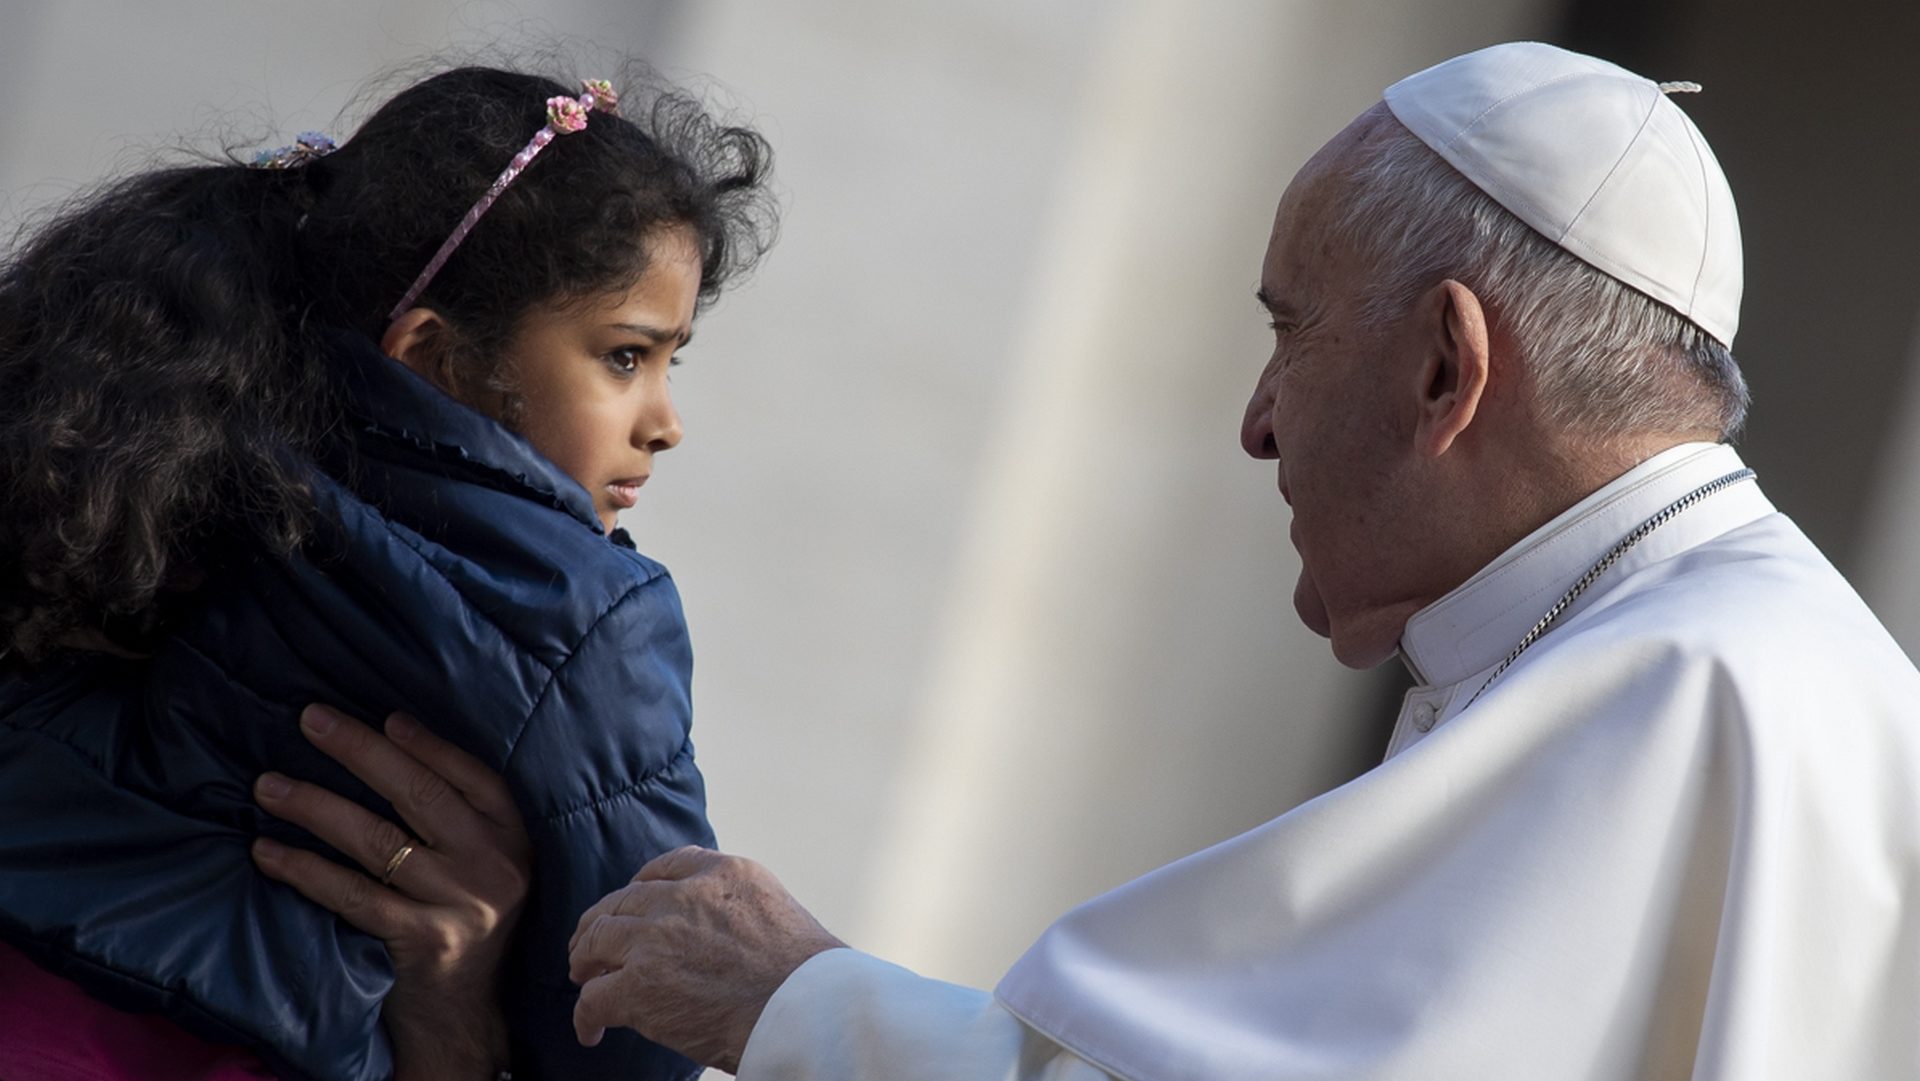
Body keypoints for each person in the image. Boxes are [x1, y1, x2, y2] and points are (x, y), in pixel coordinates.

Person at [277, 41, 1920, 1080]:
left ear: (1444, 367)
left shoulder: (1681, 690)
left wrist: (796, 1001)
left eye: (1289, 332)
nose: (1259, 425)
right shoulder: (1755, 671)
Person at [0, 63, 773, 1081]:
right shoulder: (587, 619)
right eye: (626, 357)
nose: (664, 423)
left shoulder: (144, 458)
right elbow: (638, 1027)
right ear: (435, 356)